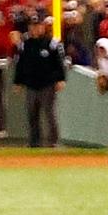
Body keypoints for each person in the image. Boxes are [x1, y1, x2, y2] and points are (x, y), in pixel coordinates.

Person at [12, 18, 67, 148]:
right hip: (31, 83)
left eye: (37, 26)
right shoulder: (26, 44)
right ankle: (34, 142)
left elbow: (59, 63)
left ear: (42, 27)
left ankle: (53, 141)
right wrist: (18, 82)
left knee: (49, 113)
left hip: (47, 83)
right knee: (32, 113)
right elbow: (20, 64)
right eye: (32, 26)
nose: (35, 29)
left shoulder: (51, 43)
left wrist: (60, 79)